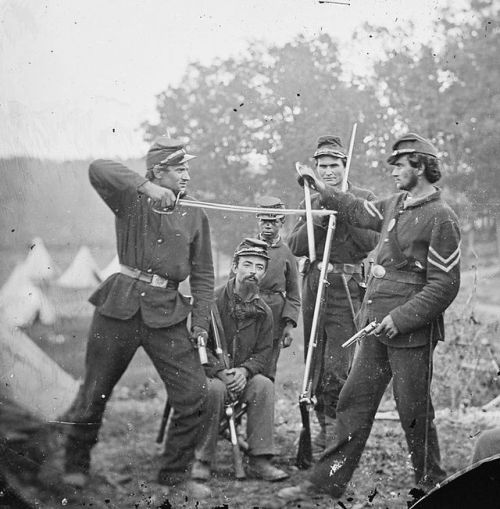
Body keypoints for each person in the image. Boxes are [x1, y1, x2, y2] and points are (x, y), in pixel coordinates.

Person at [279, 132, 461, 503]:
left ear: (422, 167)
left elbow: (444, 286)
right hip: (374, 326)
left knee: (413, 412)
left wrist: (401, 318)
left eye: (400, 165)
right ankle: (326, 482)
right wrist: (318, 188)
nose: (393, 171)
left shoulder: (441, 217)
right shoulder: (396, 203)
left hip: (408, 331)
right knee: (352, 403)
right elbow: (356, 210)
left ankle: (431, 487)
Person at [61, 137, 215, 499]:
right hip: (120, 305)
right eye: (179, 169)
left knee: (195, 394)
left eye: (187, 168)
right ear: (158, 171)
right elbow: (98, 168)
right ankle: (74, 466)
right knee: (94, 390)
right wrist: (146, 188)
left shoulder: (195, 213)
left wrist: (202, 322)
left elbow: (204, 275)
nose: (187, 175)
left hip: (167, 313)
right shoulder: (130, 197)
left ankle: (174, 474)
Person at [288, 135, 378, 451]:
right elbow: (296, 246)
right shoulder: (306, 199)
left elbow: (368, 242)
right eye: (322, 166)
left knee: (338, 363)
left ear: (345, 166)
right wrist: (317, 212)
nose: (327, 172)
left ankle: (337, 437)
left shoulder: (362, 197)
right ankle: (321, 430)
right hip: (314, 285)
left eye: (333, 166)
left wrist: (336, 202)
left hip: (346, 287)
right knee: (315, 360)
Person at [190, 238, 289, 482]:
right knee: (214, 390)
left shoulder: (264, 311)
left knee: (264, 385)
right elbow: (197, 346)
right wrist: (220, 371)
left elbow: (264, 353)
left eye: (258, 267)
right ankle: (203, 459)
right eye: (247, 265)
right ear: (235, 267)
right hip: (212, 376)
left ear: (264, 273)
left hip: (242, 377)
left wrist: (245, 372)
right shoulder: (211, 302)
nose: (252, 272)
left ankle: (260, 459)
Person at [254, 196, 301, 381]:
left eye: (273, 222)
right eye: (264, 221)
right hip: (248, 311)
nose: (268, 226)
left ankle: (263, 406)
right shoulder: (247, 247)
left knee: (268, 368)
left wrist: (289, 325)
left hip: (274, 316)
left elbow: (294, 294)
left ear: (281, 223)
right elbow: (234, 284)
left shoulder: (287, 253)